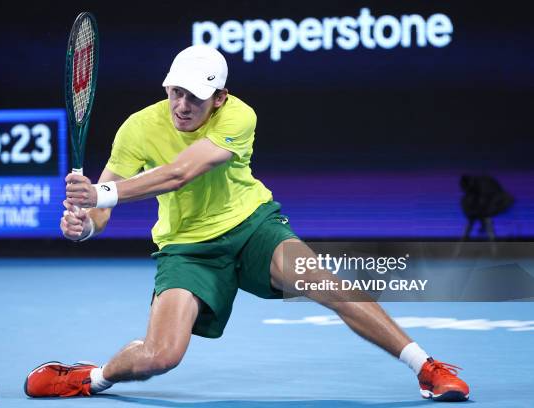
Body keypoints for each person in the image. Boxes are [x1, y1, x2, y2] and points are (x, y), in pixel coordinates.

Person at [24, 45, 469, 402]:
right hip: (187, 249)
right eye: (174, 91)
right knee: (160, 356)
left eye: (195, 97)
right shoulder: (138, 128)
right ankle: (92, 377)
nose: (182, 105)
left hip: (252, 227)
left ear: (219, 99)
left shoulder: (239, 114)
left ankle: (426, 367)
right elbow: (101, 211)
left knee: (325, 280)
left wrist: (101, 194)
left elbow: (181, 171)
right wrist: (85, 224)